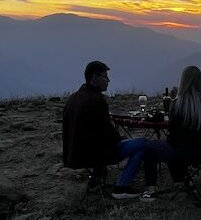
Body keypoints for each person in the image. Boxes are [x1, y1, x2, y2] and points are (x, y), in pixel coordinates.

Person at [63, 60, 147, 199]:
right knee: (142, 144)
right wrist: (121, 139)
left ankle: (96, 181)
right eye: (105, 76)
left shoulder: (74, 98)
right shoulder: (96, 100)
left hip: (74, 155)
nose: (108, 80)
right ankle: (121, 187)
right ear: (94, 78)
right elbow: (108, 133)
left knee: (131, 144)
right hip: (95, 155)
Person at [141, 66, 201, 201]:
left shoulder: (177, 104)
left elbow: (173, 134)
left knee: (150, 147)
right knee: (175, 146)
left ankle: (150, 189)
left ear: (183, 81)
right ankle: (179, 180)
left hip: (182, 153)